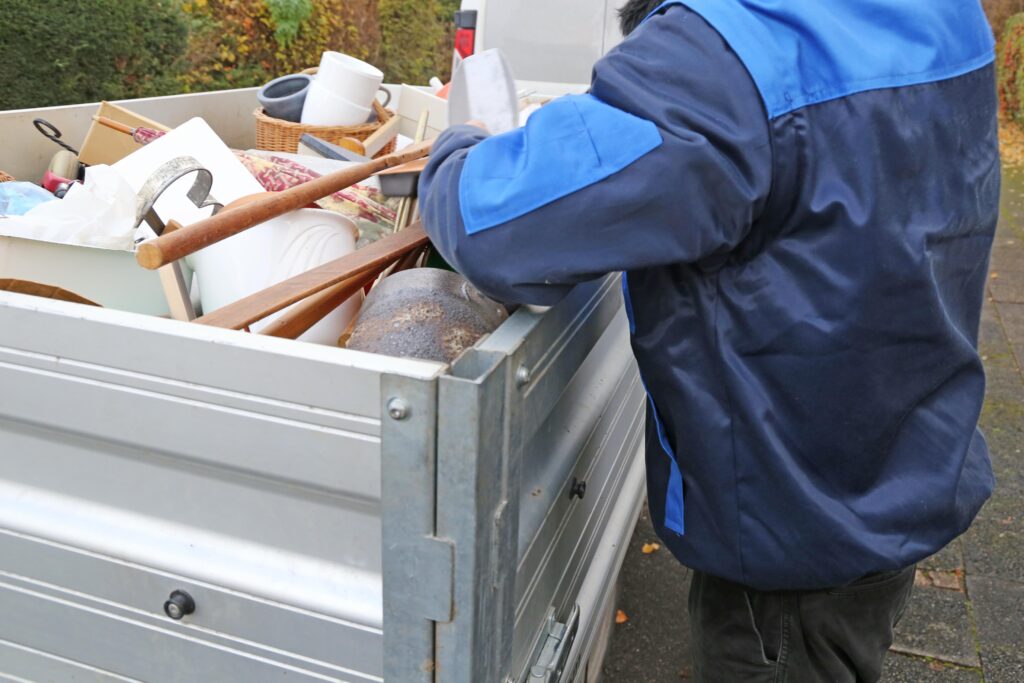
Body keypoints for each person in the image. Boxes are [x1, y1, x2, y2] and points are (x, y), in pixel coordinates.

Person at [418, 1, 999, 680]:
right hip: (892, 473)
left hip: (792, 540)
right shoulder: (946, 13)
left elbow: (493, 225)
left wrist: (458, 145)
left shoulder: (727, 49)